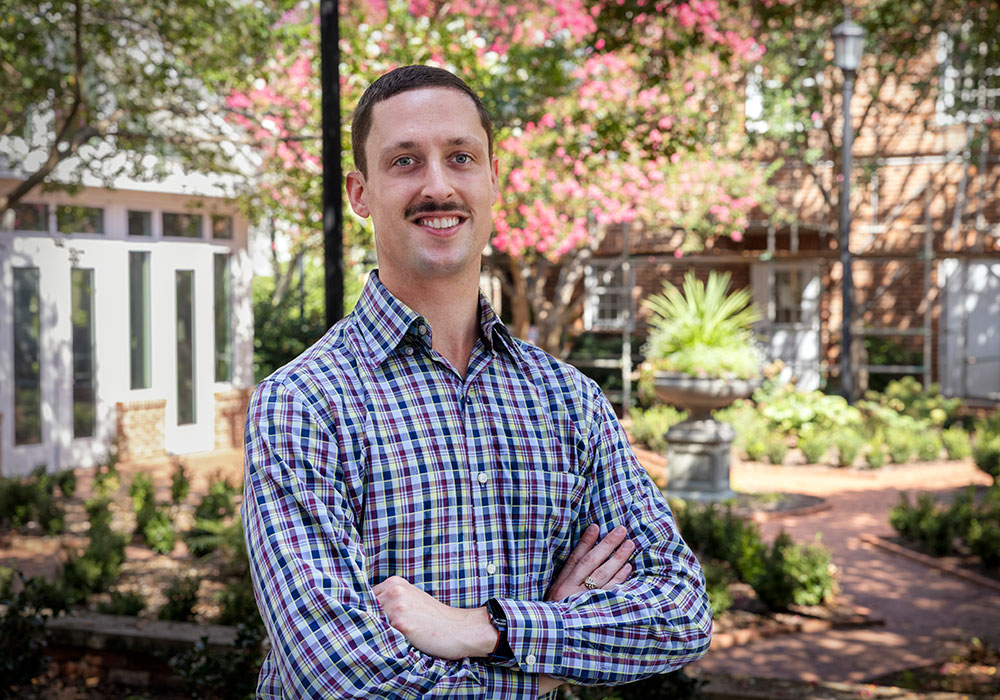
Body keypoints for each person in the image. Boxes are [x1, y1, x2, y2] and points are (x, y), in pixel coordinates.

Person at [242, 64, 712, 699]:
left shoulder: (568, 403)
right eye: (405, 161)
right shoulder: (302, 405)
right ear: (360, 193)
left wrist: (488, 630)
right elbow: (342, 680)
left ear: (492, 179)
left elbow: (680, 613)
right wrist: (544, 664)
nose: (438, 185)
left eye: (460, 157)